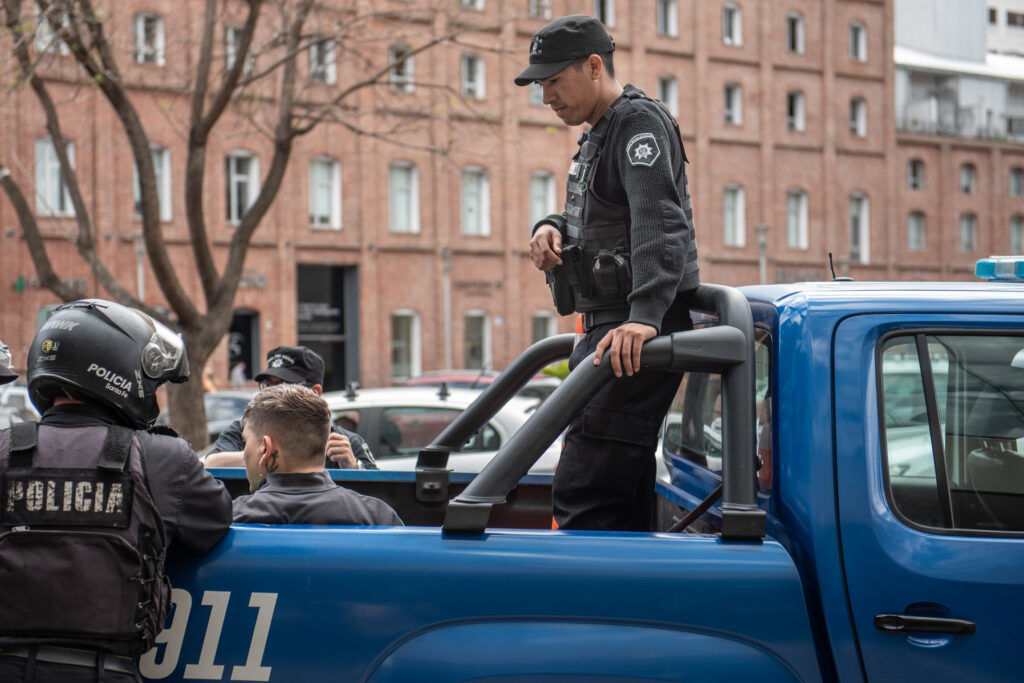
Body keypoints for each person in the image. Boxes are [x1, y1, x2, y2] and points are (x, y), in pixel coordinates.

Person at [516, 15, 699, 531]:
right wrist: (551, 226)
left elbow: (659, 223)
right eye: (540, 84)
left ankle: (579, 610)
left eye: (554, 80)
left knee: (585, 492)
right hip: (609, 333)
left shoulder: (638, 123)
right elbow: (600, 214)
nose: (546, 95)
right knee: (616, 491)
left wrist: (644, 317)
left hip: (631, 338)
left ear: (594, 66)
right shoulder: (601, 131)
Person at [0, 299, 233, 682]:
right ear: (117, 371)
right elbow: (214, 522)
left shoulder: (7, 448)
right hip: (104, 671)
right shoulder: (162, 458)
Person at [233, 384, 402, 525]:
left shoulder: (232, 517)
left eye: (245, 442)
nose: (244, 454)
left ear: (265, 449)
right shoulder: (378, 516)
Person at [204, 345, 377, 470]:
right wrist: (264, 455)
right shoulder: (244, 431)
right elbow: (211, 464)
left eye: (284, 385)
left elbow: (378, 497)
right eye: (268, 385)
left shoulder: (343, 442)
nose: (272, 392)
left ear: (314, 392)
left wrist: (352, 467)